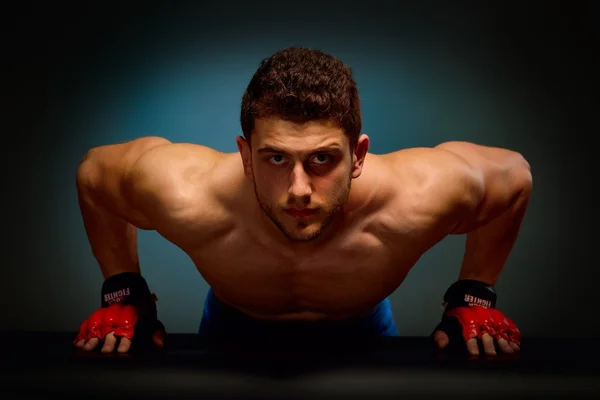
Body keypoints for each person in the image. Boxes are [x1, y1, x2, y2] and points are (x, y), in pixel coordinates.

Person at [73, 47, 530, 357]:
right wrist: (125, 290)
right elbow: (95, 175)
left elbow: (514, 177)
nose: (298, 189)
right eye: (275, 157)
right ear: (245, 156)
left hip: (361, 335)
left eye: (321, 159)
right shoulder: (186, 191)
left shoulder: (420, 194)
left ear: (359, 155)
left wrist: (475, 294)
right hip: (233, 333)